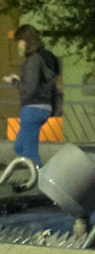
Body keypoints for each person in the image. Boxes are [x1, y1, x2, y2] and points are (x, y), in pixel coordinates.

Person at [5, 25, 62, 165]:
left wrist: (13, 81)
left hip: (33, 107)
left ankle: (37, 178)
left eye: (20, 41)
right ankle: (32, 176)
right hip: (43, 106)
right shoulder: (43, 57)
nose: (19, 45)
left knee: (28, 150)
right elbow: (38, 82)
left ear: (26, 40)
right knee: (20, 146)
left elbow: (30, 88)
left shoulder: (33, 60)